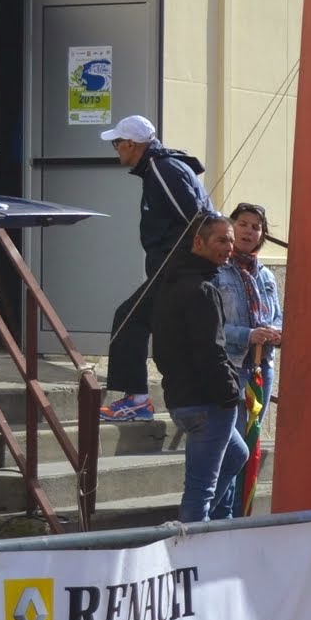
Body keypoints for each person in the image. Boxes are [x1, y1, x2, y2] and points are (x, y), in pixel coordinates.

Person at [100, 115, 211, 422]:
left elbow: (197, 219)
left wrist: (191, 266)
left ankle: (138, 400)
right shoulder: (161, 168)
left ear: (131, 144)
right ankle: (179, 398)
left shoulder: (162, 169)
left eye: (116, 143)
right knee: (165, 331)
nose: (115, 149)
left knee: (129, 319)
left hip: (176, 269)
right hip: (177, 268)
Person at [154, 215, 247, 524]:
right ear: (199, 242)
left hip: (185, 400)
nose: (229, 247)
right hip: (207, 403)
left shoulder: (173, 281)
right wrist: (230, 394)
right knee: (200, 493)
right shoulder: (202, 289)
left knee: (237, 455)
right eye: (221, 240)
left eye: (231, 240)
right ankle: (192, 535)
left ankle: (199, 527)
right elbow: (211, 351)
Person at [214, 202, 283, 517]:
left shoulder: (265, 274)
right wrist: (248, 334)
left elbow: (278, 317)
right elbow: (212, 327)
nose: (249, 231)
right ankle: (221, 514)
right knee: (231, 449)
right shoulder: (218, 270)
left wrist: (276, 333)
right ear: (231, 227)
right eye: (243, 224)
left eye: (256, 227)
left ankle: (241, 514)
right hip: (230, 367)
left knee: (250, 442)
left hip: (261, 368)